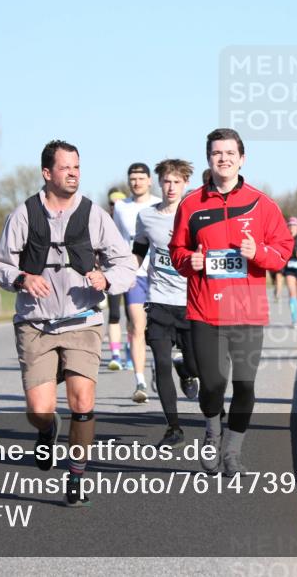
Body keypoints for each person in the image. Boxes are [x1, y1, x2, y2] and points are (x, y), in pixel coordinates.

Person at [0, 140, 137, 507]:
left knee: (82, 400)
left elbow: (126, 264)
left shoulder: (94, 215)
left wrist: (108, 281)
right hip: (35, 323)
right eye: (65, 167)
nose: (73, 173)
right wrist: (23, 279)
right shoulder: (23, 215)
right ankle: (48, 431)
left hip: (82, 321)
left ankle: (76, 476)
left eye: (77, 167)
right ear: (47, 173)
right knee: (39, 411)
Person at [170, 128, 293, 475]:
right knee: (212, 384)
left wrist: (260, 253)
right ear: (209, 159)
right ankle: (212, 432)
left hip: (248, 312)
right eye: (216, 153)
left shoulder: (262, 204)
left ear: (242, 158)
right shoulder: (191, 204)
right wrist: (187, 261)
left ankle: (232, 453)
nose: (223, 159)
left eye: (229, 153)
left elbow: (283, 252)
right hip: (205, 310)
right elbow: (176, 250)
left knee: (245, 387)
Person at [132, 159, 200, 448]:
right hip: (159, 302)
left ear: (185, 184)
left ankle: (187, 370)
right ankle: (174, 428)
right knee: (160, 364)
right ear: (159, 183)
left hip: (192, 303)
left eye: (176, 182)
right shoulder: (147, 217)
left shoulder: (197, 215)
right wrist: (121, 275)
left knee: (199, 366)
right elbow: (138, 251)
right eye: (167, 181)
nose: (171, 187)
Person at [112, 162, 162, 402]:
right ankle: (140, 381)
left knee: (161, 330)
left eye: (141, 178)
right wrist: (122, 270)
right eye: (132, 178)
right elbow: (118, 241)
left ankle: (160, 369)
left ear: (150, 181)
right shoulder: (121, 207)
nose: (136, 182)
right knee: (137, 326)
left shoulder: (159, 205)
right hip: (134, 276)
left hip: (161, 276)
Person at [105, 188, 127, 370]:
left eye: (120, 203)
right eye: (113, 203)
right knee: (114, 315)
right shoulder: (104, 222)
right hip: (111, 273)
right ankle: (115, 355)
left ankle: (130, 353)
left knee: (133, 317)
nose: (116, 207)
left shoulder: (129, 220)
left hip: (131, 273)